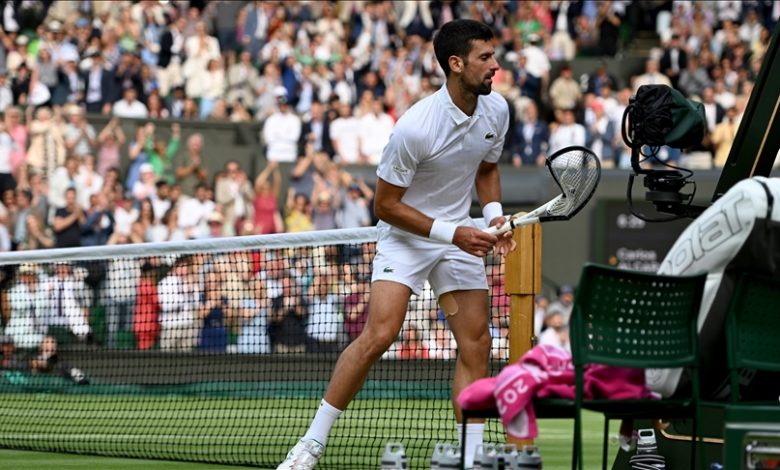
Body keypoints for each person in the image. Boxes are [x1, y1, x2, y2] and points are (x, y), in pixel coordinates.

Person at [277, 19, 513, 470]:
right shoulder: (415, 128)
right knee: (380, 334)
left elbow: (486, 169)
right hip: (407, 235)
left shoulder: (496, 110)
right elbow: (385, 205)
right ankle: (310, 444)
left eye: (493, 56)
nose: (495, 66)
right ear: (456, 64)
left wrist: (493, 217)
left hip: (459, 233)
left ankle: (472, 455)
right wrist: (452, 233)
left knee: (477, 343)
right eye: (485, 58)